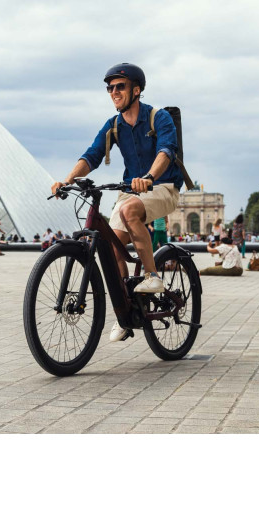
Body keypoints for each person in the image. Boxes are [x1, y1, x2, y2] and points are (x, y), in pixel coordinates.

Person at [52, 62, 182, 343]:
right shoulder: (114, 125)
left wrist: (148, 176)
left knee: (128, 210)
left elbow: (166, 151)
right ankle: (125, 311)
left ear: (137, 90)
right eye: (110, 88)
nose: (113, 92)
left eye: (119, 86)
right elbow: (92, 155)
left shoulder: (158, 118)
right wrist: (67, 180)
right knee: (110, 242)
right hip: (130, 190)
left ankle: (152, 276)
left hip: (162, 186)